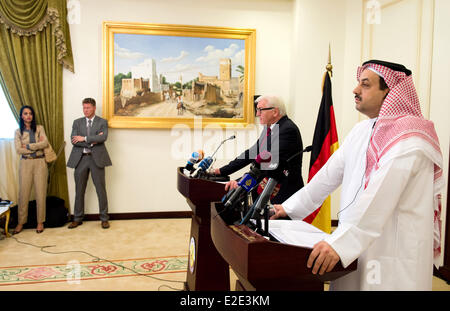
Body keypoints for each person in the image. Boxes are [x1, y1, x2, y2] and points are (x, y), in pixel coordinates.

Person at [271, 60, 443, 290]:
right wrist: (288, 208)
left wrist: (341, 243)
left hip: (392, 251)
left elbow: (379, 197)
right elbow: (327, 176)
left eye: (365, 84)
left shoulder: (410, 137)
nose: (355, 90)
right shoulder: (362, 130)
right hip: (355, 241)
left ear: (390, 92)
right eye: (357, 84)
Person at [214, 95, 304, 205]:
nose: (257, 114)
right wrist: (221, 171)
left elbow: (267, 165)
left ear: (275, 112)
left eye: (260, 110)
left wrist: (241, 183)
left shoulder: (288, 130)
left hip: (284, 195)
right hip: (268, 191)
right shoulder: (270, 128)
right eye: (257, 110)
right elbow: (251, 154)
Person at [67, 98, 112, 229]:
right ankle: (77, 218)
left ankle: (104, 218)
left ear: (94, 108)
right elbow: (73, 140)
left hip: (96, 158)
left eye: (87, 108)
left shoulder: (102, 122)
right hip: (80, 159)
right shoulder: (77, 122)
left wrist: (85, 138)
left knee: (101, 190)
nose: (85, 110)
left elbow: (103, 137)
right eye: (84, 108)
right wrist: (93, 140)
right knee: (79, 190)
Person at [13, 105, 48, 234]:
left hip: (40, 162)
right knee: (23, 194)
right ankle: (21, 222)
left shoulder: (39, 128)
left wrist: (27, 145)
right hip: (26, 163)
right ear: (22, 116)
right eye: (25, 113)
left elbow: (45, 143)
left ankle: (40, 222)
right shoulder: (18, 132)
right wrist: (36, 146)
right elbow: (18, 149)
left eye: (30, 114)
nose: (28, 116)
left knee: (40, 193)